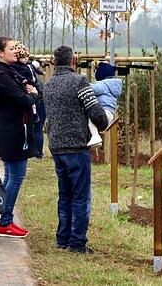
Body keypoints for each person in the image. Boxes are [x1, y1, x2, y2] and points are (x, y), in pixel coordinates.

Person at [44, 45, 108, 253]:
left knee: (65, 194)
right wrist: (104, 121)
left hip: (56, 146)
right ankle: (77, 243)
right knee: (80, 196)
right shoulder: (79, 81)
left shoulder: (49, 84)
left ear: (54, 62)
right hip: (76, 146)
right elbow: (96, 114)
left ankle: (63, 238)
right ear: (74, 61)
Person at [0, 37, 38, 239]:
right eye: (12, 48)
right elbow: (24, 99)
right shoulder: (0, 76)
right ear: (0, 53)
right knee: (16, 177)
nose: (16, 51)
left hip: (10, 129)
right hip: (11, 131)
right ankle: (4, 222)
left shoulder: (5, 71)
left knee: (10, 176)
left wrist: (28, 89)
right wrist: (33, 94)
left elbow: (25, 86)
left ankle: (4, 219)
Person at [10, 43, 45, 158]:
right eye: (24, 57)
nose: (27, 59)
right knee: (37, 126)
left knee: (34, 126)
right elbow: (34, 80)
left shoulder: (12, 69)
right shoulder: (27, 68)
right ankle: (37, 151)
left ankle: (35, 150)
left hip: (34, 96)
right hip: (34, 97)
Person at [87, 62, 122, 148]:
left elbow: (93, 89)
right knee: (93, 123)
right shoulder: (113, 86)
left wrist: (84, 83)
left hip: (102, 112)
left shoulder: (103, 84)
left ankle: (95, 137)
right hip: (110, 114)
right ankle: (94, 138)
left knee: (90, 120)